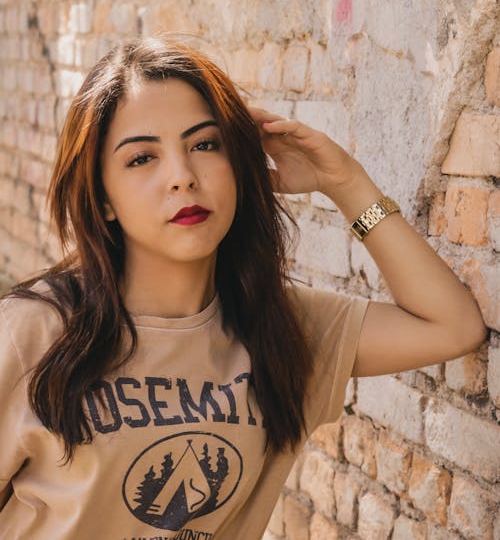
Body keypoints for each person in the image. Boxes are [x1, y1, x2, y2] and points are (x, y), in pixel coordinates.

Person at [0, 37, 487, 540]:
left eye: (205, 145)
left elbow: (452, 326)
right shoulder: (33, 333)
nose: (182, 177)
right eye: (142, 158)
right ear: (103, 200)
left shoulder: (282, 330)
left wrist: (345, 184)